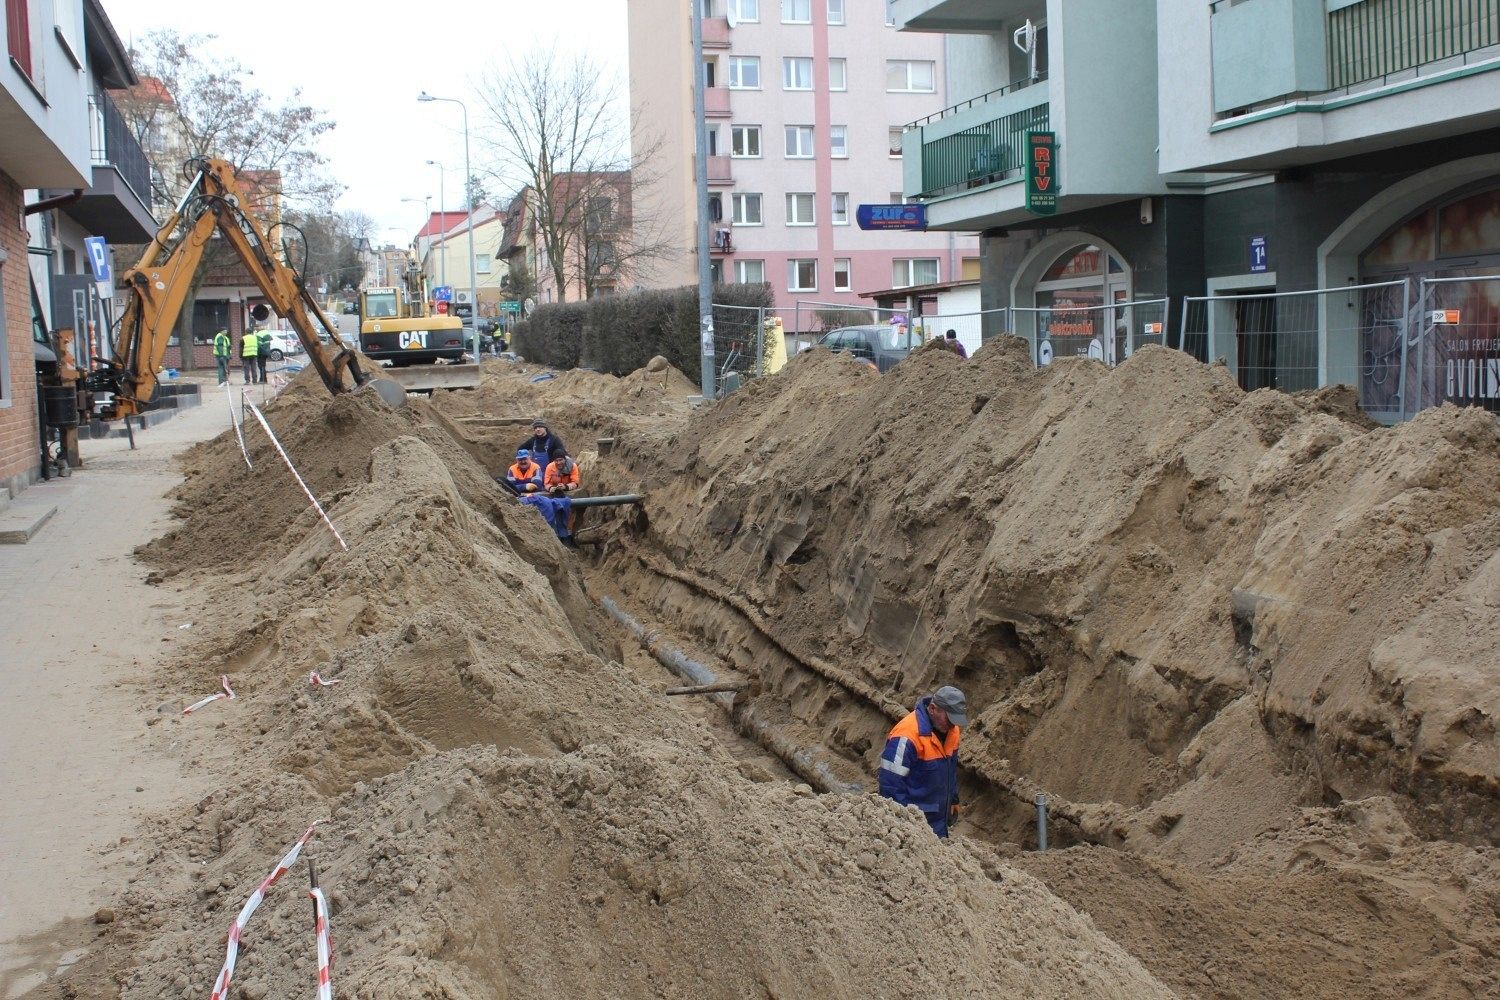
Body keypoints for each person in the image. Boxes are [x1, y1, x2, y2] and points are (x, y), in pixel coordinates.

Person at [878, 685, 966, 838]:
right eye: (949, 719)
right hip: (913, 823)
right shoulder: (906, 736)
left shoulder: (953, 731)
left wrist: (952, 799)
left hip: (938, 821)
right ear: (932, 709)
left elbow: (950, 769)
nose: (953, 725)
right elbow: (891, 786)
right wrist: (902, 823)